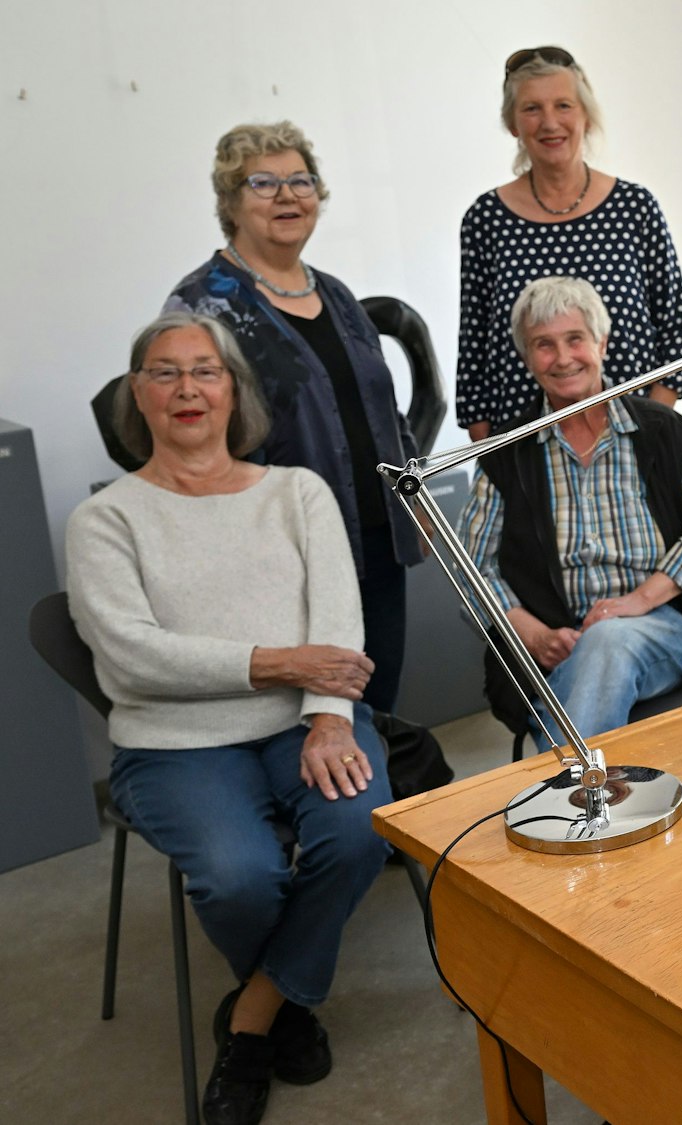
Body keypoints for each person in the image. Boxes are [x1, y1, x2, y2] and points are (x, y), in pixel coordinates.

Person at [68, 312, 391, 1125]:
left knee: (359, 827)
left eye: (205, 371)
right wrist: (279, 661)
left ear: (232, 391)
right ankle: (290, 1004)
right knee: (239, 875)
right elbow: (132, 656)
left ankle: (250, 1022)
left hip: (304, 725)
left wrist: (326, 715)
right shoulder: (106, 519)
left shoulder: (296, 491)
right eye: (165, 372)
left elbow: (337, 618)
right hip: (172, 745)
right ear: (136, 395)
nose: (187, 388)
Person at [166, 121, 422, 714]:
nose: (288, 196)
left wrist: (416, 502)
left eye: (300, 181)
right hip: (279, 554)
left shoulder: (334, 294)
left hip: (377, 541)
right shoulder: (205, 303)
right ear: (230, 203)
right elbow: (186, 436)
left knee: (377, 708)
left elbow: (382, 404)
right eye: (263, 183)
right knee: (313, 721)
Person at [460, 276, 682, 748]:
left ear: (602, 343)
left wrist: (636, 602)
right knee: (594, 651)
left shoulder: (666, 433)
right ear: (527, 359)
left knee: (608, 640)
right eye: (544, 345)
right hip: (556, 643)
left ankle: (570, 792)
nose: (564, 357)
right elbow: (471, 567)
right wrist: (528, 631)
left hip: (662, 628)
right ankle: (594, 794)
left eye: (576, 339)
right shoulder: (506, 454)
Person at [456, 45, 682, 442]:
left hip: (634, 438)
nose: (550, 122)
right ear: (513, 124)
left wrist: (652, 425)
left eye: (563, 105)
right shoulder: (485, 219)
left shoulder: (634, 208)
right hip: (522, 449)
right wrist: (490, 456)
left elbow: (676, 328)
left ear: (585, 115)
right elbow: (474, 347)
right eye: (532, 108)